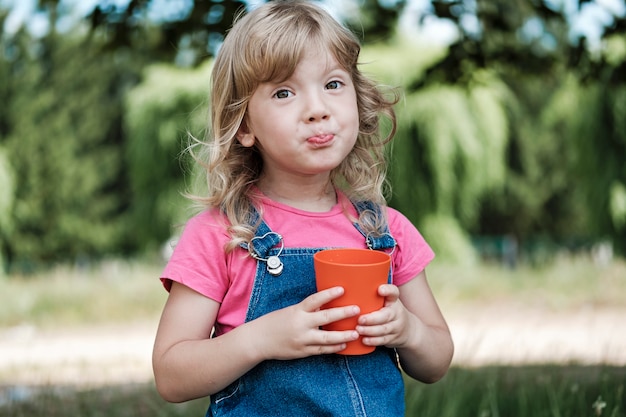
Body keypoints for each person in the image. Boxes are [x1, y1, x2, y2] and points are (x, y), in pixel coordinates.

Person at [152, 1, 454, 415]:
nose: (317, 109)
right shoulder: (221, 235)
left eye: (333, 84)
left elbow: (436, 361)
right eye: (284, 92)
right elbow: (170, 374)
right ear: (244, 126)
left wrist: (409, 330)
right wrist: (259, 339)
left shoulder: (388, 231)